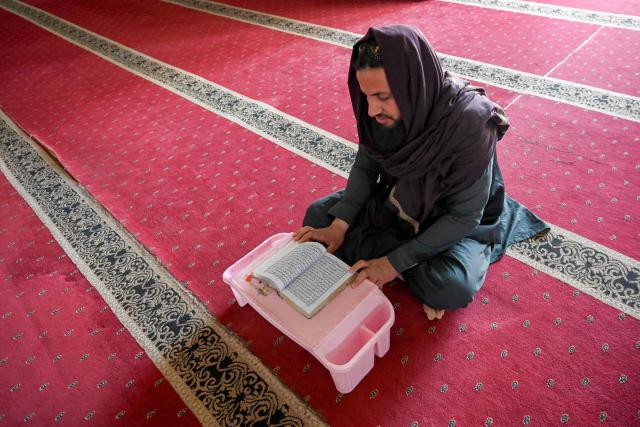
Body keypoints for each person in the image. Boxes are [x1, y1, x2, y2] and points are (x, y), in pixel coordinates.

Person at [293, 25, 547, 320]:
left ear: (412, 85)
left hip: (450, 216)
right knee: (318, 217)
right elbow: (366, 165)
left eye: (383, 96)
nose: (373, 109)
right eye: (367, 96)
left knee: (452, 287)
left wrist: (391, 264)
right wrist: (339, 225)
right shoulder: (376, 110)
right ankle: (407, 264)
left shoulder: (470, 125)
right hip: (399, 198)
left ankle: (397, 259)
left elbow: (464, 217)